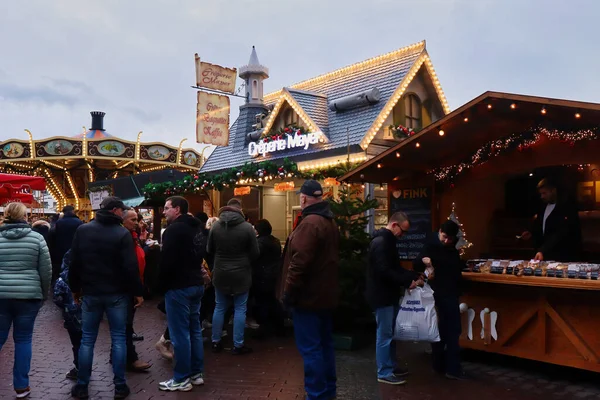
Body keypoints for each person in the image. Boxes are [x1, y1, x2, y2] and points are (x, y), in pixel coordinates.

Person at [68, 197, 144, 400]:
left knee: (87, 340)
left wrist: (75, 288)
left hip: (91, 292)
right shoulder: (121, 233)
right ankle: (119, 385)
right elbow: (130, 267)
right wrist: (137, 291)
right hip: (117, 293)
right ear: (116, 211)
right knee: (118, 338)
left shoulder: (83, 230)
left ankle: (82, 385)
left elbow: (74, 262)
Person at [279, 180, 340, 400]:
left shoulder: (310, 223)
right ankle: (327, 392)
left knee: (311, 349)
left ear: (303, 198)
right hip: (324, 296)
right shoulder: (328, 221)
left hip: (308, 298)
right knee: (324, 346)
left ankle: (316, 395)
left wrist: (288, 293)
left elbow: (299, 263)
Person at [158, 196, 210, 392]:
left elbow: (166, 261)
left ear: (177, 209)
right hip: (195, 283)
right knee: (194, 331)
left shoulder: (173, 231)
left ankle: (181, 378)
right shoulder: (197, 228)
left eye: (166, 208)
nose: (164, 211)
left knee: (180, 335)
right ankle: (196, 374)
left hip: (178, 285)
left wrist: (161, 285)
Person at [0, 202, 52, 399]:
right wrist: (43, 293)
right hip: (28, 297)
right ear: (24, 216)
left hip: (1, 295)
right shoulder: (37, 238)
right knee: (23, 340)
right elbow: (46, 271)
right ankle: (21, 386)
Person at [366, 211, 423, 385]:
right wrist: (408, 280)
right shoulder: (383, 243)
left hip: (385, 294)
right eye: (403, 231)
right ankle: (384, 371)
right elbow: (386, 271)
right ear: (394, 225)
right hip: (382, 295)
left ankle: (389, 366)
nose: (403, 235)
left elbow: (392, 269)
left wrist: (411, 276)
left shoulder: (384, 241)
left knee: (388, 333)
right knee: (385, 334)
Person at [414, 220, 466, 380]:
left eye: (450, 238)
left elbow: (455, 267)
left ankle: (447, 366)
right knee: (443, 331)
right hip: (437, 294)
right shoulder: (430, 245)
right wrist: (425, 262)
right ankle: (446, 366)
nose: (447, 241)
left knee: (449, 331)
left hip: (449, 293)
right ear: (439, 232)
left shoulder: (452, 248)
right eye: (444, 237)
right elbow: (416, 264)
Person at [208, 198, 259, 355]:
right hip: (241, 272)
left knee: (219, 306)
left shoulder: (215, 226)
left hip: (221, 271)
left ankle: (215, 341)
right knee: (240, 308)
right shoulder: (247, 228)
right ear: (240, 209)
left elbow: (209, 249)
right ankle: (238, 344)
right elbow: (255, 252)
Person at [520, 177, 582, 261]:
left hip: (563, 256)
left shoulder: (566, 207)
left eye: (544, 193)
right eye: (541, 194)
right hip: (545, 255)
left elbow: (560, 233)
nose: (542, 196)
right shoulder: (542, 207)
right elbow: (541, 228)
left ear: (553, 191)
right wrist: (531, 233)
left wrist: (543, 250)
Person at [121, 208, 151, 371]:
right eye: (132, 220)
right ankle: (129, 358)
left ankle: (119, 356)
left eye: (137, 219)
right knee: (125, 325)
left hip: (130, 284)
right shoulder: (125, 237)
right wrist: (136, 290)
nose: (136, 223)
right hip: (126, 287)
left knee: (125, 324)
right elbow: (131, 265)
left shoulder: (132, 236)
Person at [52, 249, 83, 380]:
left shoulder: (62, 279)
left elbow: (57, 298)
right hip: (88, 314)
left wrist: (65, 307)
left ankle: (79, 367)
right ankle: (86, 366)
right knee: (86, 342)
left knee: (76, 344)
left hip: (71, 316)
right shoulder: (87, 276)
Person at [253, 219, 284, 335]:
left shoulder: (259, 243)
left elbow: (254, 257)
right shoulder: (275, 241)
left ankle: (263, 328)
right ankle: (279, 326)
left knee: (262, 302)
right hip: (274, 274)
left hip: (262, 276)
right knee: (273, 301)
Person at [49, 205, 83, 282]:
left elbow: (53, 236)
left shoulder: (59, 222)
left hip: (60, 250)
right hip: (74, 250)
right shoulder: (79, 222)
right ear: (72, 211)